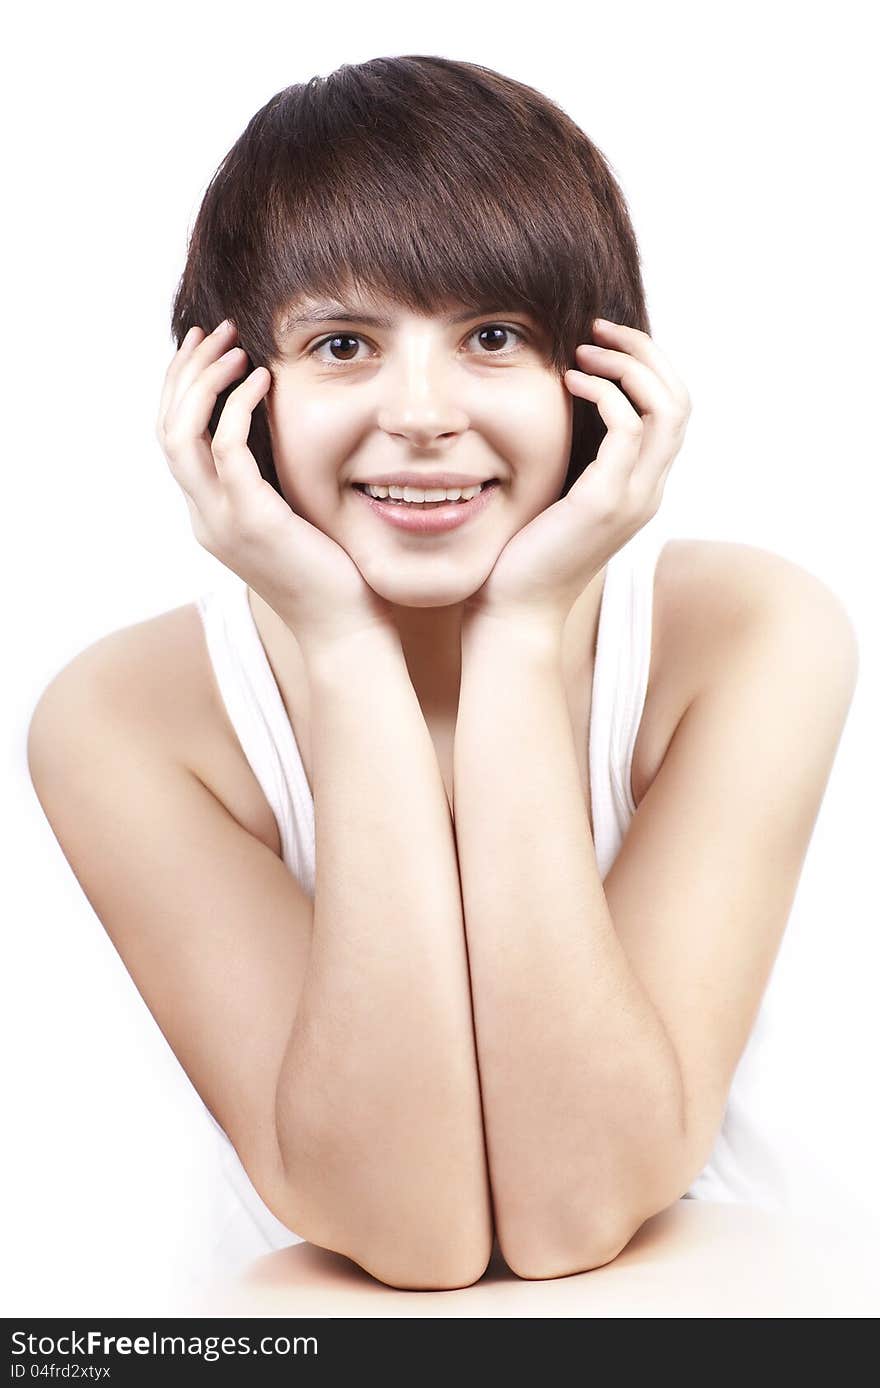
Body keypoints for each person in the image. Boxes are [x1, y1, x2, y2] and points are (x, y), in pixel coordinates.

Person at [26, 55, 859, 1295]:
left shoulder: (749, 633)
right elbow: (410, 1234)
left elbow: (577, 1206)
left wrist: (519, 635)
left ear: (599, 375)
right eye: (344, 342)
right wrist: (344, 644)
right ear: (229, 391)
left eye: (492, 335)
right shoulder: (121, 722)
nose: (421, 413)